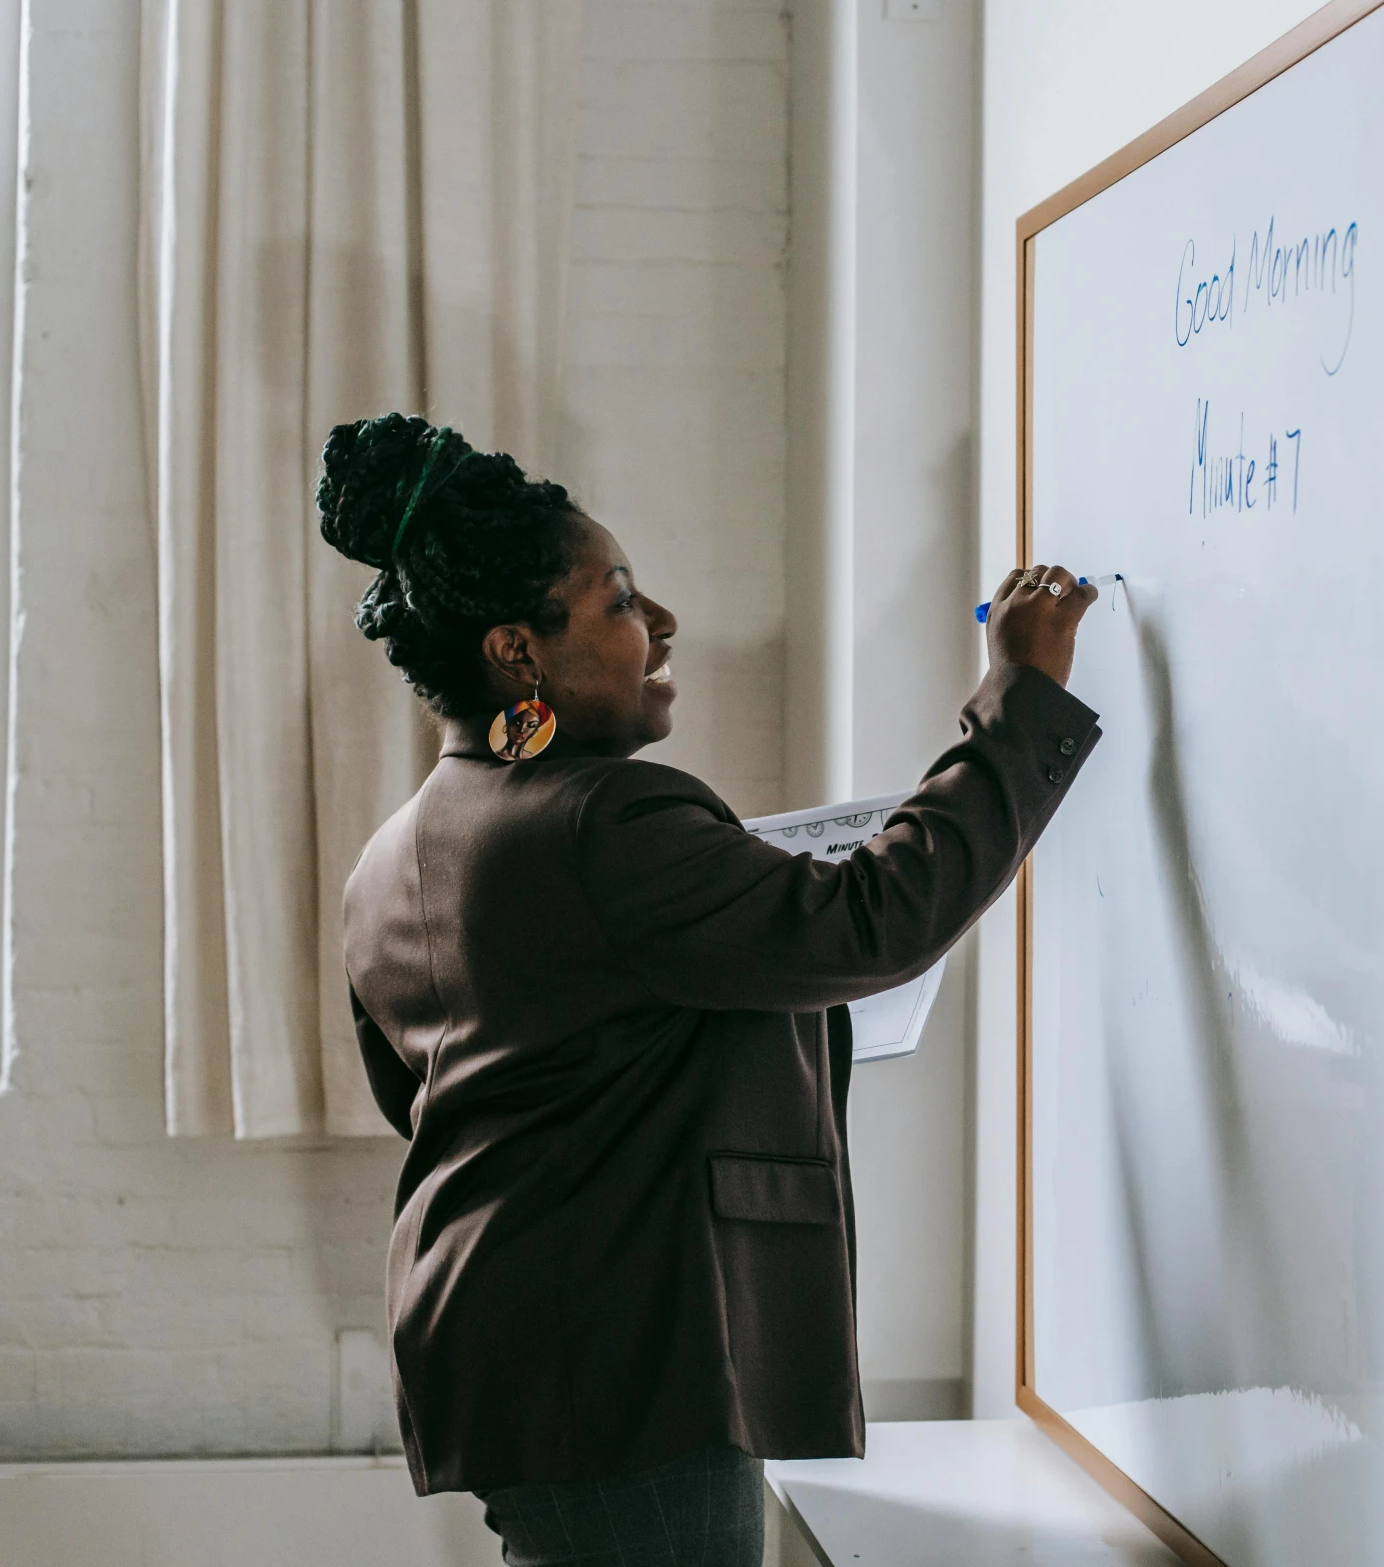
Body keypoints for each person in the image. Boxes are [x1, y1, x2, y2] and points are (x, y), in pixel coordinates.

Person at [319, 413, 1100, 1567]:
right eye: (621, 602)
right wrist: (1017, 691)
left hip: (502, 1348)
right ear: (517, 654)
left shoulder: (391, 854)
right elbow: (874, 918)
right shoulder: (602, 818)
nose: (662, 622)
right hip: (627, 1362)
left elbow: (447, 1094)